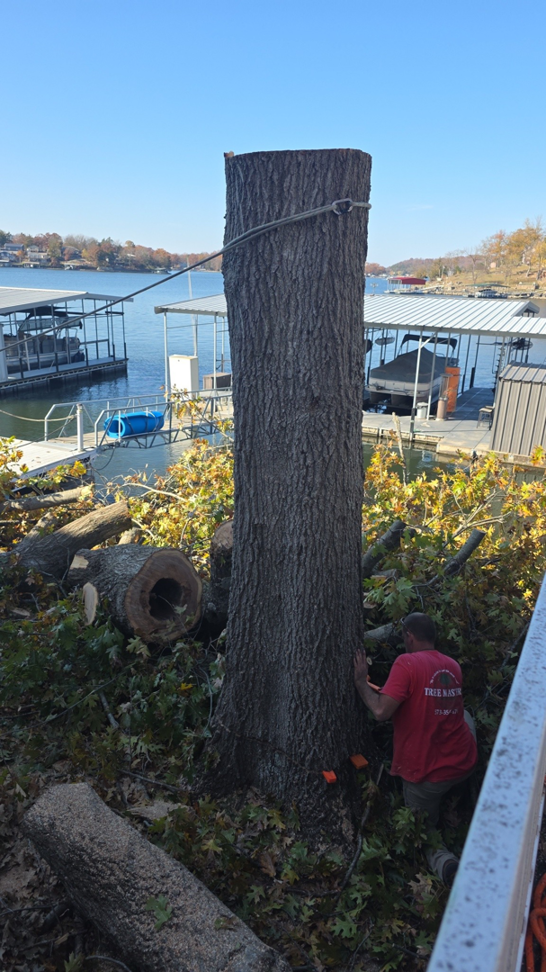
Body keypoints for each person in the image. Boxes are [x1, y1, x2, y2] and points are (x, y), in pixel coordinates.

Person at [353, 612, 477, 885]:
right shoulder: (452, 666)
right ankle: (463, 793)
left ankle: (445, 864)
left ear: (409, 636)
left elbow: (380, 711)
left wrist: (362, 682)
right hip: (463, 762)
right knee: (466, 716)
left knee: (422, 832)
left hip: (426, 777)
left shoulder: (406, 662)